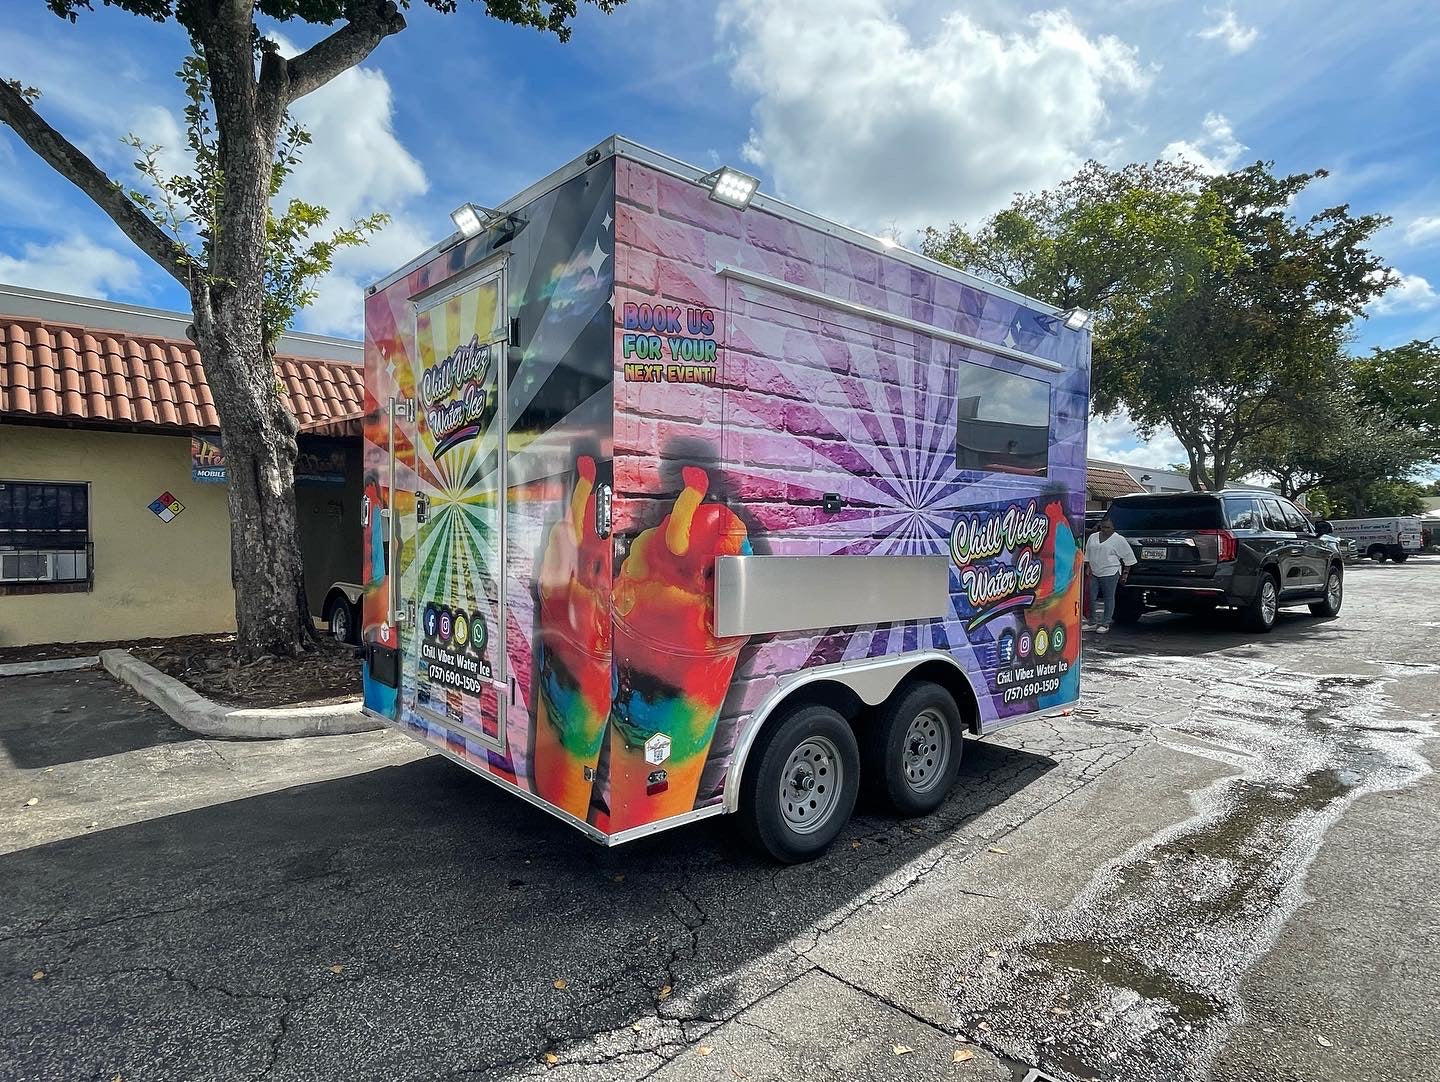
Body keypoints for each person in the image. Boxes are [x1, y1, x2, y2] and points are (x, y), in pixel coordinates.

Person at [1084, 514, 1136, 633]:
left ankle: (1105, 623)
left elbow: (1129, 557)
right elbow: (1088, 552)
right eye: (1102, 527)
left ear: (1113, 528)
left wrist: (1125, 574)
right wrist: (1088, 566)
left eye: (1107, 527)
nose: (1104, 530)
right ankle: (1092, 621)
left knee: (1108, 597)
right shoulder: (1093, 536)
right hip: (1094, 571)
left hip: (1110, 571)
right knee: (1091, 596)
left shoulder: (1119, 539)